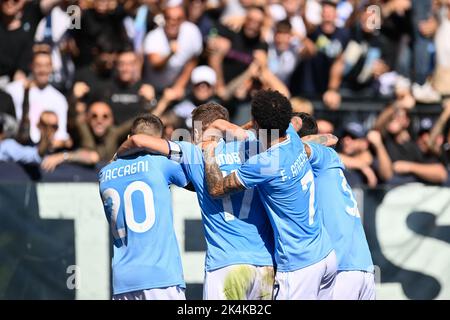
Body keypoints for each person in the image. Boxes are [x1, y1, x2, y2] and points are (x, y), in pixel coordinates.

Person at [116, 102, 275, 300]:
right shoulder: (253, 145)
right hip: (266, 263)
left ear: (200, 131)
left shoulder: (193, 153)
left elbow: (140, 141)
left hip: (225, 264)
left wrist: (117, 155)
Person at [202, 89, 336, 300]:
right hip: (326, 254)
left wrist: (209, 150)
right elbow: (299, 121)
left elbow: (216, 189)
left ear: (256, 122)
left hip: (299, 264)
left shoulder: (265, 164)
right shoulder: (291, 136)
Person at [99, 114, 189, 300]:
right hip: (160, 277)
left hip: (123, 280)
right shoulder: (162, 163)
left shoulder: (104, 173)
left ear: (127, 139)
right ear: (159, 142)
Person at [296, 112, 375, 300]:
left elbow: (329, 139)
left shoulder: (318, 156)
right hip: (362, 265)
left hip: (343, 269)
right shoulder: (328, 157)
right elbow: (331, 138)